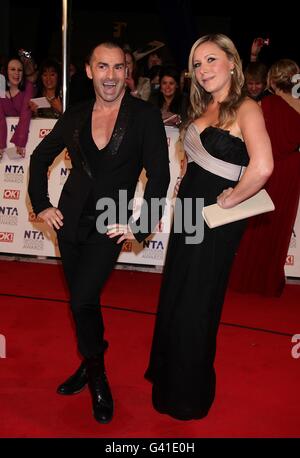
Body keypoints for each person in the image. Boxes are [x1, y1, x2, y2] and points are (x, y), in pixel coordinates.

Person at [28, 41, 170, 424]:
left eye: (118, 67)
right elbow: (41, 156)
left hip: (110, 226)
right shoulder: (74, 115)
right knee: (82, 302)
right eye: (102, 67)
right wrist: (41, 202)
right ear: (89, 71)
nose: (110, 76)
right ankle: (90, 364)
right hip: (68, 220)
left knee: (81, 301)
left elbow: (160, 176)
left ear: (128, 72)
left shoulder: (144, 116)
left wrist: (140, 225)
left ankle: (97, 376)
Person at [145, 33, 273, 421]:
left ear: (232, 62)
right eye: (197, 64)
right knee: (177, 295)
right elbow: (192, 163)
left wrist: (232, 199)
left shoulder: (246, 107)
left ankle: (189, 395)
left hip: (216, 220)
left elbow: (263, 166)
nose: (203, 70)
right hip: (189, 213)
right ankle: (169, 386)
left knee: (197, 302)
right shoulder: (202, 109)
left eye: (211, 60)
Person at [230, 59, 300, 296]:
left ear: (271, 80)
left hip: (267, 167)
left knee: (256, 224)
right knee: (279, 226)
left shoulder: (265, 105)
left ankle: (246, 280)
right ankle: (269, 282)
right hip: (292, 170)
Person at [0, 56, 34, 159]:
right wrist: (0, 144)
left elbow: (25, 114)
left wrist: (20, 141)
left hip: (27, 138)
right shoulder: (0, 87)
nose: (17, 73)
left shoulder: (29, 87)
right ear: (6, 71)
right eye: (12, 69)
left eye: (20, 70)